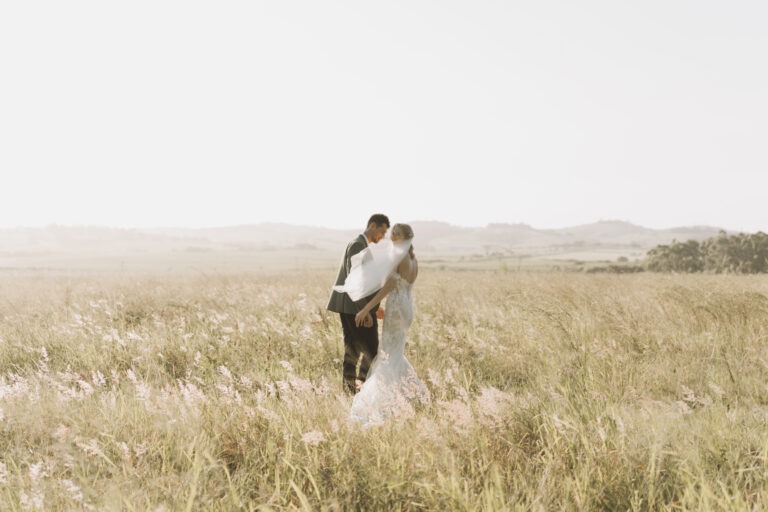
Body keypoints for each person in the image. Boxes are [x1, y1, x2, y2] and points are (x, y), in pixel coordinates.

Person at [347, 223, 430, 428]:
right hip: (407, 308)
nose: (393, 238)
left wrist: (367, 309)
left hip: (396, 306)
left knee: (387, 355)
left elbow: (389, 287)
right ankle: (412, 393)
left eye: (397, 235)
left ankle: (384, 401)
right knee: (395, 352)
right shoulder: (413, 259)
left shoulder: (399, 257)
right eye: (392, 234)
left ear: (407, 237)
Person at [327, 214, 390, 394]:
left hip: (354, 307)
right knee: (371, 350)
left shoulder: (360, 245)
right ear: (372, 226)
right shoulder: (357, 245)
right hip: (355, 308)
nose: (382, 236)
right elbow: (354, 281)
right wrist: (365, 311)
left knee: (353, 347)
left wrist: (374, 307)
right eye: (382, 231)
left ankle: (350, 389)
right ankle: (361, 388)